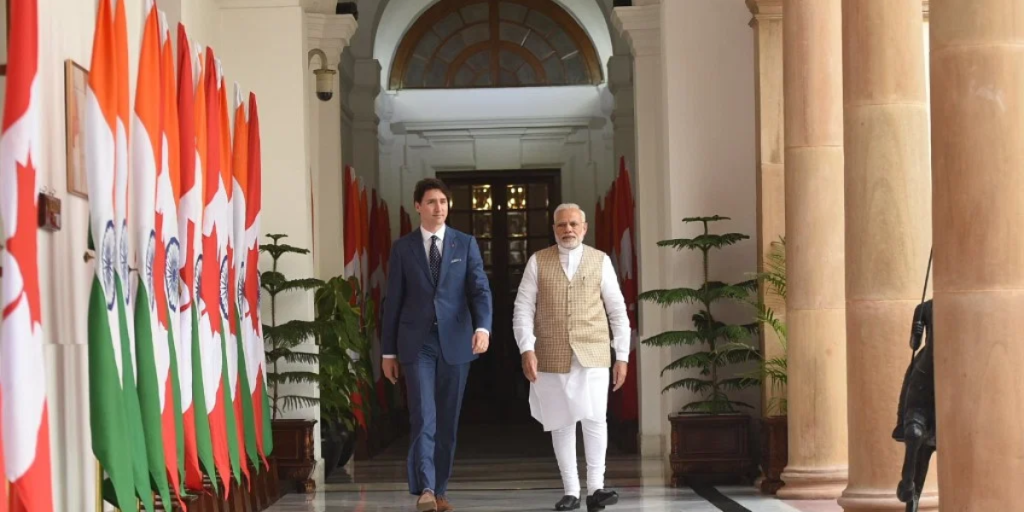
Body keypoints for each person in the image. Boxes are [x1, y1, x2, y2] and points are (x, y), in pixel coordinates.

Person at [381, 178, 493, 512]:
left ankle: (440, 489)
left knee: (447, 418)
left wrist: (484, 327)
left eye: (443, 202)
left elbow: (479, 290)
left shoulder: (465, 243)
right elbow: (393, 302)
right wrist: (388, 352)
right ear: (418, 206)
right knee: (423, 415)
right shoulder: (403, 248)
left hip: (456, 342)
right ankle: (425, 488)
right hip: (417, 345)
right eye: (431, 202)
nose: (439, 208)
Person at [512, 203, 630, 511]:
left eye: (574, 224)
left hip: (593, 352)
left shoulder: (600, 261)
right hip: (550, 354)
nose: (568, 229)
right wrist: (527, 348)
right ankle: (571, 491)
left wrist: (622, 356)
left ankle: (597, 489)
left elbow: (617, 310)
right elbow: (522, 309)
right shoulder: (538, 261)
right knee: (560, 423)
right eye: (562, 225)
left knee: (594, 419)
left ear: (584, 227)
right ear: (554, 229)